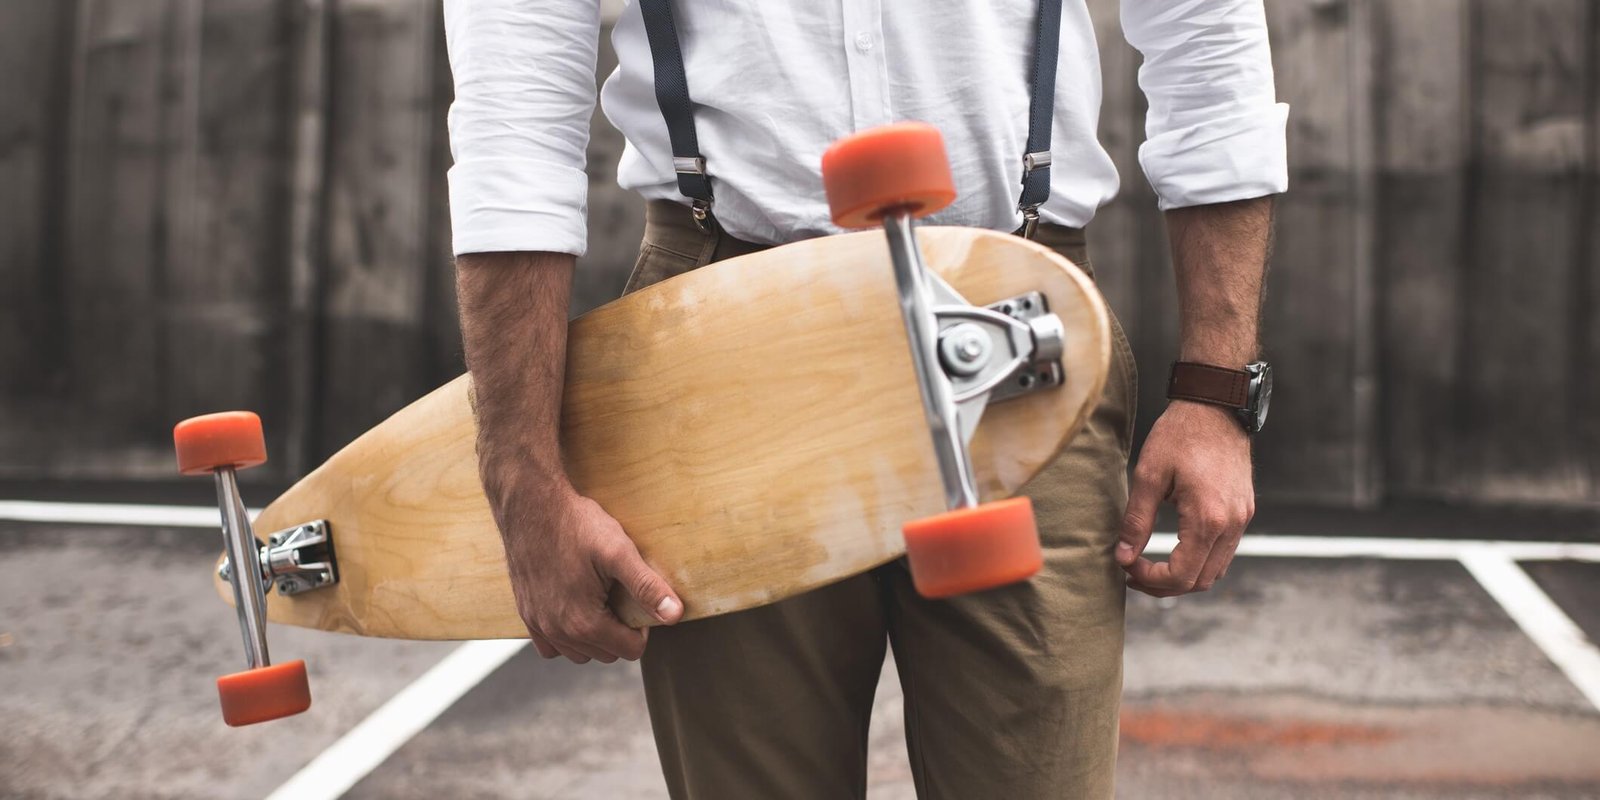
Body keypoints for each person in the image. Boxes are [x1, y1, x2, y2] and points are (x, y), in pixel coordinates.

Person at [443, 1, 1285, 796]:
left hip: (1014, 318)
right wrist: (523, 478)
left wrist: (1218, 390)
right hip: (718, 339)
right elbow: (513, 113)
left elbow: (1204, 35)